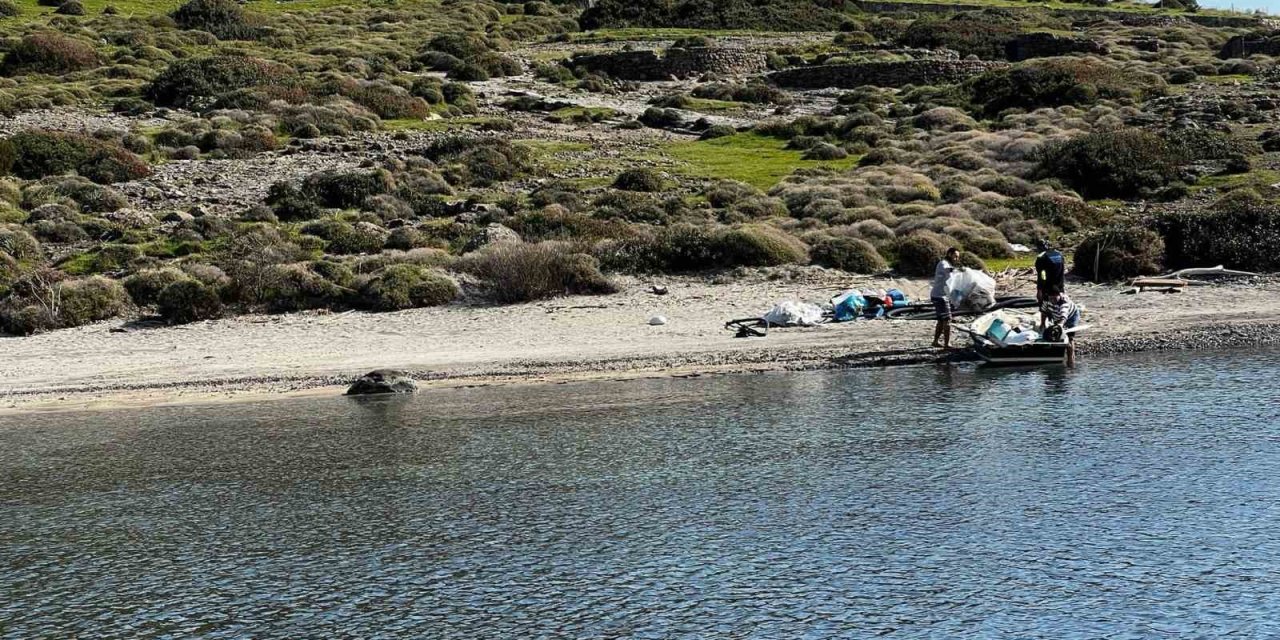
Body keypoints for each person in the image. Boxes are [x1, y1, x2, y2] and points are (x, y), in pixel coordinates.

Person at [1041, 284, 1081, 367]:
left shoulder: (1064, 302)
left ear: (1059, 295)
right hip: (1056, 315)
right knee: (1055, 335)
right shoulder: (1046, 300)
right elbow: (1044, 312)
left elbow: (1063, 316)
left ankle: (1070, 360)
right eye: (1051, 298)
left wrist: (1060, 325)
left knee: (1070, 338)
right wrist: (1042, 323)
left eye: (1055, 298)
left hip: (1071, 316)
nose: (1053, 300)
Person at [930, 247, 961, 349]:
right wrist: (962, 270)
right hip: (940, 296)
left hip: (939, 295)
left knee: (941, 320)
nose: (956, 259)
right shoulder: (943, 263)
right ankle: (947, 344)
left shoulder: (949, 264)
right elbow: (948, 270)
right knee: (948, 320)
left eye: (958, 257)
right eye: (955, 256)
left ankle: (935, 341)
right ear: (949, 254)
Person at [1034, 239, 1066, 303]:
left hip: (1048, 289)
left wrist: (1039, 290)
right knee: (1060, 307)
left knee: (1047, 308)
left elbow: (1042, 275)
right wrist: (1061, 288)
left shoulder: (1041, 257)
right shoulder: (1059, 254)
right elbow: (1062, 271)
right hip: (1060, 287)